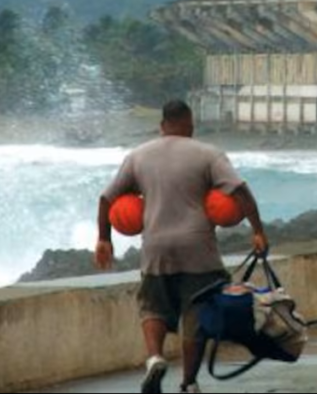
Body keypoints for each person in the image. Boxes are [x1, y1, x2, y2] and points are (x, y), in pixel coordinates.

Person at [95, 100, 269, 394]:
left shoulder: (138, 156)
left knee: (152, 308)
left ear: (162, 125)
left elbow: (107, 198)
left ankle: (154, 358)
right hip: (197, 248)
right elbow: (240, 191)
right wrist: (258, 231)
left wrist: (104, 239)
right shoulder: (208, 154)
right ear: (190, 124)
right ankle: (188, 383)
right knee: (196, 316)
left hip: (155, 247)